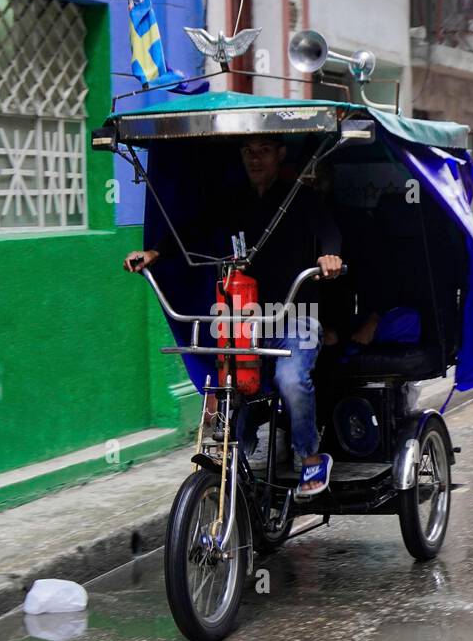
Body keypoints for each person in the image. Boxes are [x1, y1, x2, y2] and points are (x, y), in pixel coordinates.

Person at [124, 136, 343, 497]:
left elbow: (329, 232)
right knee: (229, 386)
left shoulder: (302, 197)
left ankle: (309, 457)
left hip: (295, 315)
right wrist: (154, 252)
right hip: (245, 319)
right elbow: (192, 231)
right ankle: (235, 461)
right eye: (248, 152)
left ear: (280, 153)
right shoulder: (233, 200)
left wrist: (330, 256)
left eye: (265, 150)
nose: (256, 159)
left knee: (290, 380)